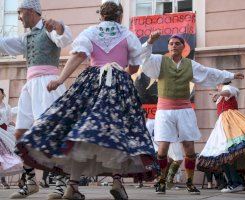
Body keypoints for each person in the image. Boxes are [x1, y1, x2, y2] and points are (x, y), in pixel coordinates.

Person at [16, 1, 156, 200]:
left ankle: (72, 186)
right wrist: (121, 72)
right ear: (120, 17)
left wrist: (60, 80)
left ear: (101, 16)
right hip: (118, 85)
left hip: (91, 84)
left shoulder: (91, 32)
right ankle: (117, 182)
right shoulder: (128, 35)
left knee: (82, 134)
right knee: (117, 132)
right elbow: (134, 67)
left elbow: (78, 56)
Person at [140, 31, 244, 195]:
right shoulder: (160, 61)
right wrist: (150, 42)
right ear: (168, 47)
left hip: (184, 110)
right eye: (171, 43)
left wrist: (230, 75)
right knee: (162, 149)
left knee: (189, 147)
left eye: (177, 43)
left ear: (183, 47)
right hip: (164, 110)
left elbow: (209, 72)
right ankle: (161, 181)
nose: (174, 46)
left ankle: (189, 182)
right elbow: (143, 58)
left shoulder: (190, 64)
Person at [0, 0, 72, 198]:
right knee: (20, 133)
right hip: (30, 86)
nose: (18, 17)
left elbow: (65, 39)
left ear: (31, 12)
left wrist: (58, 26)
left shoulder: (48, 29)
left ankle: (60, 182)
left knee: (52, 133)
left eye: (20, 13)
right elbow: (4, 44)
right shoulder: (27, 37)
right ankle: (31, 180)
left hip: (48, 84)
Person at [0, 88, 23, 189]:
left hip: (5, 132)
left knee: (6, 157)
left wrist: (11, 123)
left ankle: (2, 179)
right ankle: (3, 180)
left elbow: (8, 118)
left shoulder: (7, 106)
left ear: (3, 95)